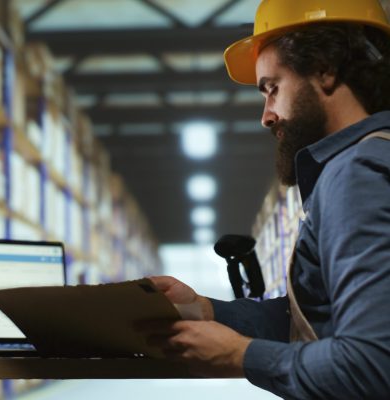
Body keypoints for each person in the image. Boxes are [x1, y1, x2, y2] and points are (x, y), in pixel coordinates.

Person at [141, 1, 390, 398]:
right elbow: (316, 317)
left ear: (325, 68)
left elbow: (374, 366)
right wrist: (206, 311)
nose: (267, 116)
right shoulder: (368, 162)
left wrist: (242, 356)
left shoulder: (356, 173)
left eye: (272, 89)